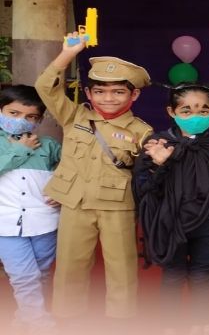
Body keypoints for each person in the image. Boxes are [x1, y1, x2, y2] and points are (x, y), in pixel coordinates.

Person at [34, 32, 152, 320]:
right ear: (88, 94)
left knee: (121, 267)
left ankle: (120, 320)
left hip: (118, 206)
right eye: (99, 91)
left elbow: (147, 176)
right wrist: (67, 54)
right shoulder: (74, 116)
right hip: (75, 202)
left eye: (118, 92)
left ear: (134, 95)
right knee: (69, 265)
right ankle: (67, 318)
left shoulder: (142, 131)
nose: (108, 98)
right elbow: (44, 87)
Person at [133, 84, 209, 334]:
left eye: (203, 111)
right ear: (171, 112)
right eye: (186, 111)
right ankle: (170, 325)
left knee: (203, 274)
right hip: (171, 222)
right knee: (173, 274)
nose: (195, 116)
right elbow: (144, 189)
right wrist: (159, 165)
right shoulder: (158, 144)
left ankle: (200, 324)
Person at [0, 85, 61, 334]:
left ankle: (23, 320)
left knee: (41, 274)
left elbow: (69, 172)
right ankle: (41, 325)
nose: (21, 120)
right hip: (6, 224)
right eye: (13, 113)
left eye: (31, 116)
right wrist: (20, 150)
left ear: (40, 119)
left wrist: (60, 190)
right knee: (23, 276)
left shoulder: (49, 145)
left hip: (45, 222)